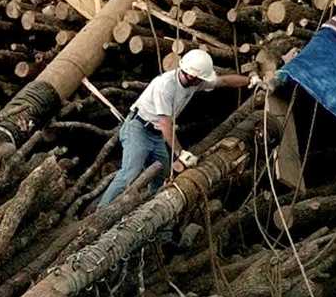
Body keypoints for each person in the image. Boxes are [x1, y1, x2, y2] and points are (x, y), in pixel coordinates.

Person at [96, 49, 260, 209]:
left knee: (162, 175)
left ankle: (151, 211)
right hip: (138, 128)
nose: (201, 81)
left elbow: (222, 81)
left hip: (156, 134)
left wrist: (250, 81)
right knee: (129, 173)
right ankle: (100, 213)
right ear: (190, 74)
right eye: (198, 78)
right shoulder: (165, 86)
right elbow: (165, 123)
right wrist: (180, 153)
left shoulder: (194, 82)